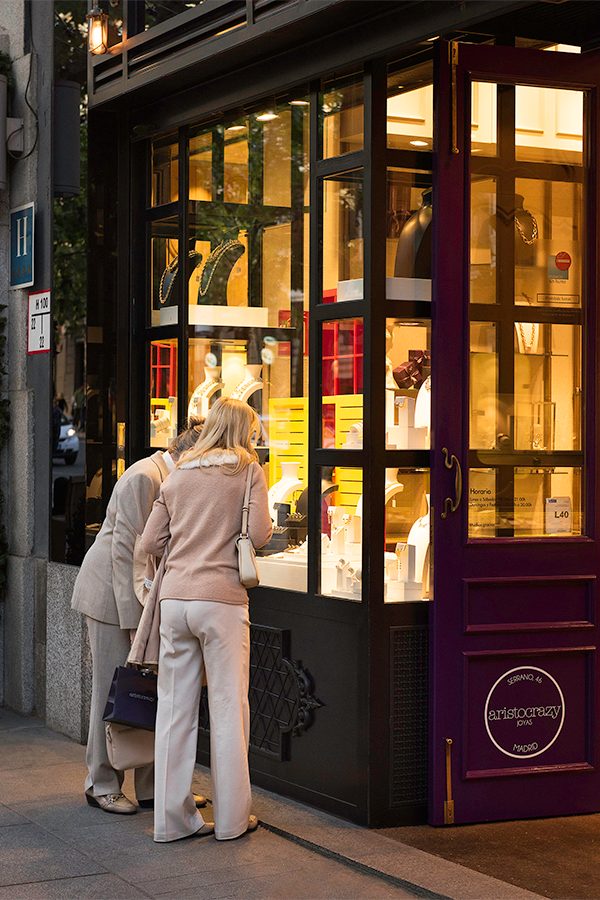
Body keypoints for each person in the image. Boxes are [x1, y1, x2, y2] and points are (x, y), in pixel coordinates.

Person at [139, 398, 272, 843]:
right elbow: (258, 535)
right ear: (242, 431)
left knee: (175, 712)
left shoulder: (180, 472)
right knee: (229, 709)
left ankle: (172, 823)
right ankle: (232, 822)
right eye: (252, 430)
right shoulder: (248, 470)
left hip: (175, 601)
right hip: (222, 601)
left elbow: (150, 541)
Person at [71, 419, 206, 815]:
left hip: (143, 595)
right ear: (190, 454)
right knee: (112, 690)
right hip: (111, 598)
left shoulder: (170, 477)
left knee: (150, 691)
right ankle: (101, 782)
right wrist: (134, 620)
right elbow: (125, 553)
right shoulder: (143, 476)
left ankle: (151, 787)